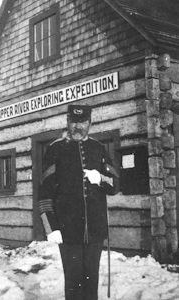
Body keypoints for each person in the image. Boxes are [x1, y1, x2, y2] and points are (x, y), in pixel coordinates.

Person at [38, 104, 118, 300]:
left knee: (91, 284)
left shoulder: (98, 149)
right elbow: (44, 192)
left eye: (82, 122)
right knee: (73, 284)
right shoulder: (55, 149)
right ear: (68, 122)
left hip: (95, 230)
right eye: (74, 122)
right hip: (68, 229)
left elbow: (115, 183)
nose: (77, 127)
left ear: (90, 123)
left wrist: (99, 178)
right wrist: (51, 227)